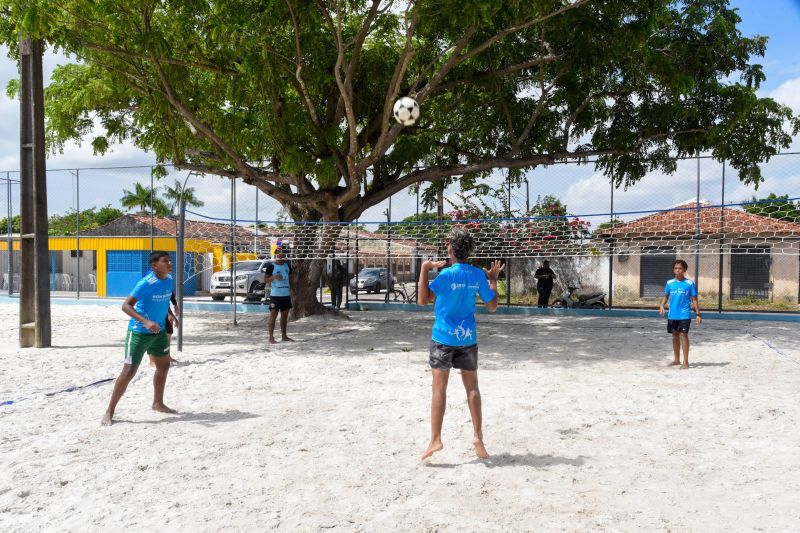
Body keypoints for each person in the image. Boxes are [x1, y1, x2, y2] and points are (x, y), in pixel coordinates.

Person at [418, 227, 504, 460]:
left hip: (443, 338)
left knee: (439, 389)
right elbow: (492, 306)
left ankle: (435, 440)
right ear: (469, 251)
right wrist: (493, 280)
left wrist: (425, 269)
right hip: (467, 338)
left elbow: (422, 300)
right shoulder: (477, 275)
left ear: (450, 249)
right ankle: (478, 437)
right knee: (472, 388)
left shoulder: (445, 275)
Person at [102, 251, 177, 426]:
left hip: (158, 333)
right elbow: (125, 306)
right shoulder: (145, 283)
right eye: (165, 261)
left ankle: (158, 403)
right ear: (154, 266)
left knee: (164, 367)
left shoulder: (169, 280)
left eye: (170, 261)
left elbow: (164, 300)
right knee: (128, 372)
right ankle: (109, 411)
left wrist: (171, 315)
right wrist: (145, 321)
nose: (170, 263)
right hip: (139, 332)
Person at [659, 259, 702, 369]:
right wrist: (662, 306)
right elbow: (666, 296)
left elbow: (695, 299)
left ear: (684, 270)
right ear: (674, 270)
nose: (678, 270)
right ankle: (677, 359)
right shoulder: (669, 283)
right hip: (672, 314)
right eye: (676, 268)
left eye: (680, 268)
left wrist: (698, 314)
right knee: (674, 336)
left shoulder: (689, 284)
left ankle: (685, 362)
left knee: (683, 335)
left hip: (684, 314)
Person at [264, 247, 294, 343]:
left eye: (281, 253)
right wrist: (273, 277)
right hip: (275, 295)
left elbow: (291, 279)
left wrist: (292, 291)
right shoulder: (271, 266)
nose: (280, 255)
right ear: (275, 255)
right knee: (273, 316)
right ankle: (271, 337)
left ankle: (284, 336)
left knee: (284, 317)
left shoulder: (288, 266)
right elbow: (265, 280)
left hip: (286, 295)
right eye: (278, 253)